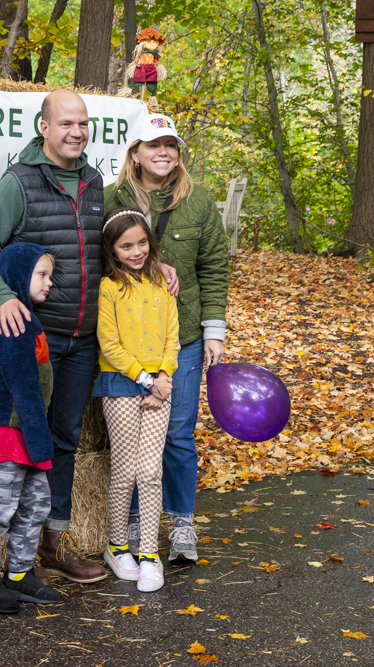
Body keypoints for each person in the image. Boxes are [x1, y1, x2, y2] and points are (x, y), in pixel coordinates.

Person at [0, 89, 115, 584]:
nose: (77, 132)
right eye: (67, 123)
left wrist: (155, 263)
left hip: (84, 338)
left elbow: (114, 247)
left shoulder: (96, 182)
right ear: (45, 127)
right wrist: (1, 298)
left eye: (83, 124)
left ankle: (53, 545)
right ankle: (14, 560)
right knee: (25, 438)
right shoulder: (20, 182)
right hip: (39, 337)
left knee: (65, 440)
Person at [104, 113, 229, 563]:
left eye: (170, 145)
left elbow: (215, 267)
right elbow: (97, 262)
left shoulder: (198, 203)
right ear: (134, 152)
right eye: (152, 144)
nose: (163, 152)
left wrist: (214, 330)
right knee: (134, 438)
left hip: (184, 336)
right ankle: (135, 523)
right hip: (129, 342)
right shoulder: (108, 199)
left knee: (177, 432)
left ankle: (180, 523)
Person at [0, 243, 63, 614]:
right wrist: (41, 442)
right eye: (42, 274)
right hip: (5, 429)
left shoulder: (25, 316)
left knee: (36, 503)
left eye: (50, 275)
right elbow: (22, 383)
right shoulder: (9, 319)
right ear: (19, 277)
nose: (49, 282)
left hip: (27, 428)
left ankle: (20, 573)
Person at [93, 207, 180, 592]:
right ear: (113, 250)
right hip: (123, 383)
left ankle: (149, 554)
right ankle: (117, 546)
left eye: (142, 242)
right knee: (126, 470)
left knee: (150, 471)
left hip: (159, 385)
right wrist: (145, 380)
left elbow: (172, 338)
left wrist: (163, 377)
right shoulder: (110, 287)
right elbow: (108, 344)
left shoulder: (162, 284)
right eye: (126, 246)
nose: (136, 251)